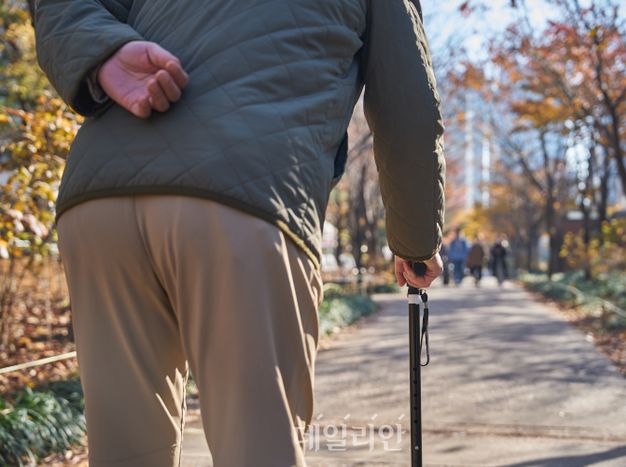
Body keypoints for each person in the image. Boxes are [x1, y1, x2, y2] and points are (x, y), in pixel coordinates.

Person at [31, 1, 446, 466]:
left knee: (126, 451)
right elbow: (408, 110)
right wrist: (415, 243)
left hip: (99, 203)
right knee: (258, 448)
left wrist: (101, 51)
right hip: (249, 198)